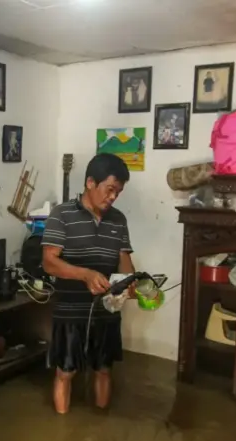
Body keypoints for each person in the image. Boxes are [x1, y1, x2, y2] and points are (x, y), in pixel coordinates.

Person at [42, 153, 135, 414]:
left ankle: (101, 429)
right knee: (66, 372)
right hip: (71, 310)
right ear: (91, 183)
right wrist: (85, 275)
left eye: (118, 192)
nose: (113, 197)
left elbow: (124, 261)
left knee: (104, 370)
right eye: (110, 190)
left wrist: (133, 284)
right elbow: (49, 262)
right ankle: (61, 437)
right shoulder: (62, 215)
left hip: (106, 310)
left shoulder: (118, 220)